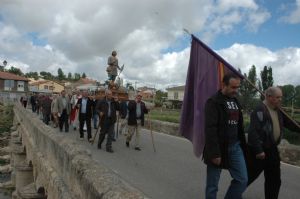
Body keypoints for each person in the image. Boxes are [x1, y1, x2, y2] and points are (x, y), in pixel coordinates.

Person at [247, 86, 300, 199]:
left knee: (274, 180)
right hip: (259, 152)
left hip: (272, 150)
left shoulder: (279, 110)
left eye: (281, 97)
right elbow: (253, 133)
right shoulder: (259, 110)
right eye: (278, 97)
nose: (280, 99)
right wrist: (258, 150)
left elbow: (291, 124)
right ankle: (233, 194)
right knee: (248, 177)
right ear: (269, 97)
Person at [203, 73, 248, 199]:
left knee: (242, 180)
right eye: (233, 87)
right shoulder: (213, 102)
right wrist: (215, 153)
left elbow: (239, 126)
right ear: (224, 85)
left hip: (235, 147)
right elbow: (210, 129)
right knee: (213, 185)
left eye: (237, 87)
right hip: (218, 148)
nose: (236, 91)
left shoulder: (235, 101)